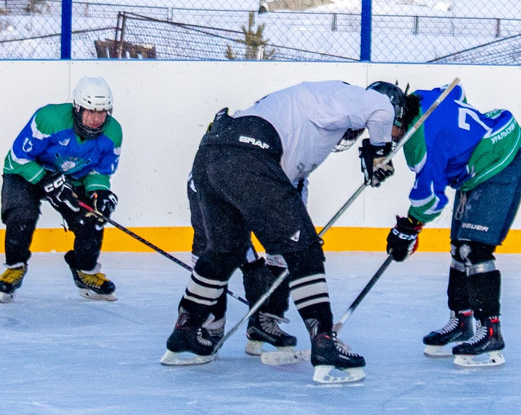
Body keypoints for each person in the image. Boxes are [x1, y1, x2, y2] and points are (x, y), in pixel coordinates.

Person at [162, 79, 418, 385]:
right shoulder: (343, 95)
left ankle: (186, 329)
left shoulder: (299, 118)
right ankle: (324, 341)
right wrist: (379, 151)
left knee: (225, 251)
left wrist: (295, 232)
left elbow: (287, 189)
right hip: (249, 153)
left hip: (213, 154)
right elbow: (380, 109)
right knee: (306, 252)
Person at [386, 83, 521, 370]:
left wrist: (409, 227)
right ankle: (461, 320)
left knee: (473, 249)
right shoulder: (422, 98)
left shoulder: (419, 144)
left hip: (501, 159)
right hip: (479, 157)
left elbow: (430, 201)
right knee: (457, 250)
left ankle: (491, 332)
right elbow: (457, 94)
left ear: (398, 119)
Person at [0, 76, 122, 300]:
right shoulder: (49, 119)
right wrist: (45, 180)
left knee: (93, 215)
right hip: (25, 173)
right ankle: (14, 268)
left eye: (102, 112)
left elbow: (100, 171)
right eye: (91, 111)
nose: (96, 119)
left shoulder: (113, 133)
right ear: (77, 108)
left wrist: (99, 193)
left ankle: (85, 271)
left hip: (71, 180)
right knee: (22, 213)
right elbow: (19, 156)